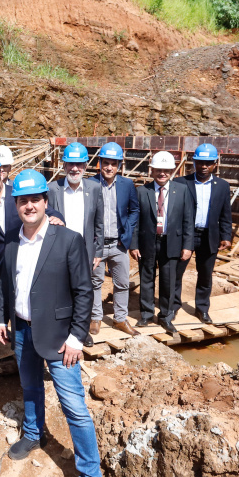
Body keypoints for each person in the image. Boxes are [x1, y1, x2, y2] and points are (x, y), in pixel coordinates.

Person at [0, 169, 102, 477]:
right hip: (24, 331)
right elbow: (5, 286)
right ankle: (32, 432)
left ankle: (89, 476)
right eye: (23, 201)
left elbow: (84, 292)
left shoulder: (68, 240)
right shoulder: (12, 243)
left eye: (35, 200)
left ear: (45, 202)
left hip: (59, 339)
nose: (29, 206)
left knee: (74, 408)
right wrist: (2, 319)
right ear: (17, 205)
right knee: (30, 387)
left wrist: (75, 339)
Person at [0, 152, 65, 382]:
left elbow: (44, 208)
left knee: (32, 313)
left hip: (24, 269)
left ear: (1, 174)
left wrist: (57, 218)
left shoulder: (17, 197)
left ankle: (41, 357)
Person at [48, 143, 119, 336]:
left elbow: (99, 224)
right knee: (60, 292)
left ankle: (81, 331)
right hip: (58, 250)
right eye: (70, 164)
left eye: (79, 164)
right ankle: (61, 330)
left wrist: (98, 252)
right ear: (64, 166)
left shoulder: (94, 188)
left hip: (84, 251)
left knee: (82, 293)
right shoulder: (53, 189)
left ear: (86, 166)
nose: (74, 168)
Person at [131, 151, 194, 334]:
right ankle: (146, 314)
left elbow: (188, 220)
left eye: (166, 170)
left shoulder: (181, 190)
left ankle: (166, 316)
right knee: (146, 278)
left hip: (171, 242)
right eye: (158, 170)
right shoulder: (142, 191)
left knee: (168, 280)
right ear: (152, 170)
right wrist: (134, 245)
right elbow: (135, 221)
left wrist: (188, 246)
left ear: (172, 171)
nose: (162, 174)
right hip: (148, 242)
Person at [87, 142, 140, 344]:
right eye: (105, 163)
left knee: (122, 283)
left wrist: (128, 228)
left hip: (118, 244)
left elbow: (134, 210)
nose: (109, 167)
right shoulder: (90, 184)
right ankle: (96, 318)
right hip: (97, 245)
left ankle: (120, 319)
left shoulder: (126, 185)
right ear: (99, 163)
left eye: (113, 164)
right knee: (95, 282)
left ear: (119, 166)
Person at [176, 144, 232, 324]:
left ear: (215, 164)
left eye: (208, 163)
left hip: (209, 236)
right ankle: (173, 307)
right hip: (186, 235)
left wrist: (226, 235)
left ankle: (202, 309)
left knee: (205, 274)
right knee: (176, 273)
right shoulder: (181, 183)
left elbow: (225, 213)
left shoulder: (222, 186)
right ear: (194, 162)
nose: (204, 166)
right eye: (200, 162)